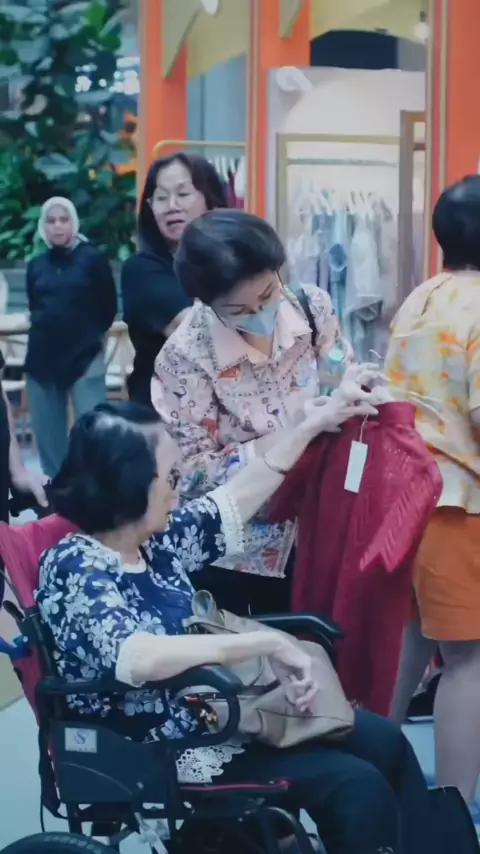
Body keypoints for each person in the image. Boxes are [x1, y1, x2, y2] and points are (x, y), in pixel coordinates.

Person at [37, 399, 437, 854]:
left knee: (383, 740)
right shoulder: (75, 565)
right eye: (171, 478)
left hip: (218, 716)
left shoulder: (153, 545)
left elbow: (234, 499)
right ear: (128, 484)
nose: (179, 490)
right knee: (355, 786)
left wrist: (309, 426)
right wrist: (261, 644)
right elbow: (136, 657)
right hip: (165, 750)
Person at [151, 210, 352, 615]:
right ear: (206, 303)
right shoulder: (184, 359)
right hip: (243, 554)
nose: (260, 313)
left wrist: (350, 390)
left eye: (267, 294)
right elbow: (189, 474)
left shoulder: (310, 308)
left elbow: (336, 371)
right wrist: (286, 438)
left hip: (324, 526)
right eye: (239, 310)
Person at [385, 175, 480, 810]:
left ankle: (366, 779)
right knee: (468, 660)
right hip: (460, 503)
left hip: (405, 497)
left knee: (407, 646)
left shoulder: (419, 299)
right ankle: (455, 814)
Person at [121, 153, 228, 406]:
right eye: (161, 197)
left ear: (209, 200)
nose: (171, 205)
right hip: (161, 415)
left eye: (183, 194)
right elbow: (195, 336)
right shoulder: (141, 270)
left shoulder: (234, 263)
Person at [25, 197, 117, 477]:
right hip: (42, 359)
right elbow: (35, 306)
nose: (57, 226)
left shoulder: (92, 259)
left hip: (85, 356)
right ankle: (57, 488)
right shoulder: (36, 265)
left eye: (63, 220)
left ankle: (95, 489)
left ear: (74, 223)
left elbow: (108, 307)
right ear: (43, 227)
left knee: (94, 429)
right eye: (51, 221)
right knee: (48, 435)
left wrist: (89, 337)